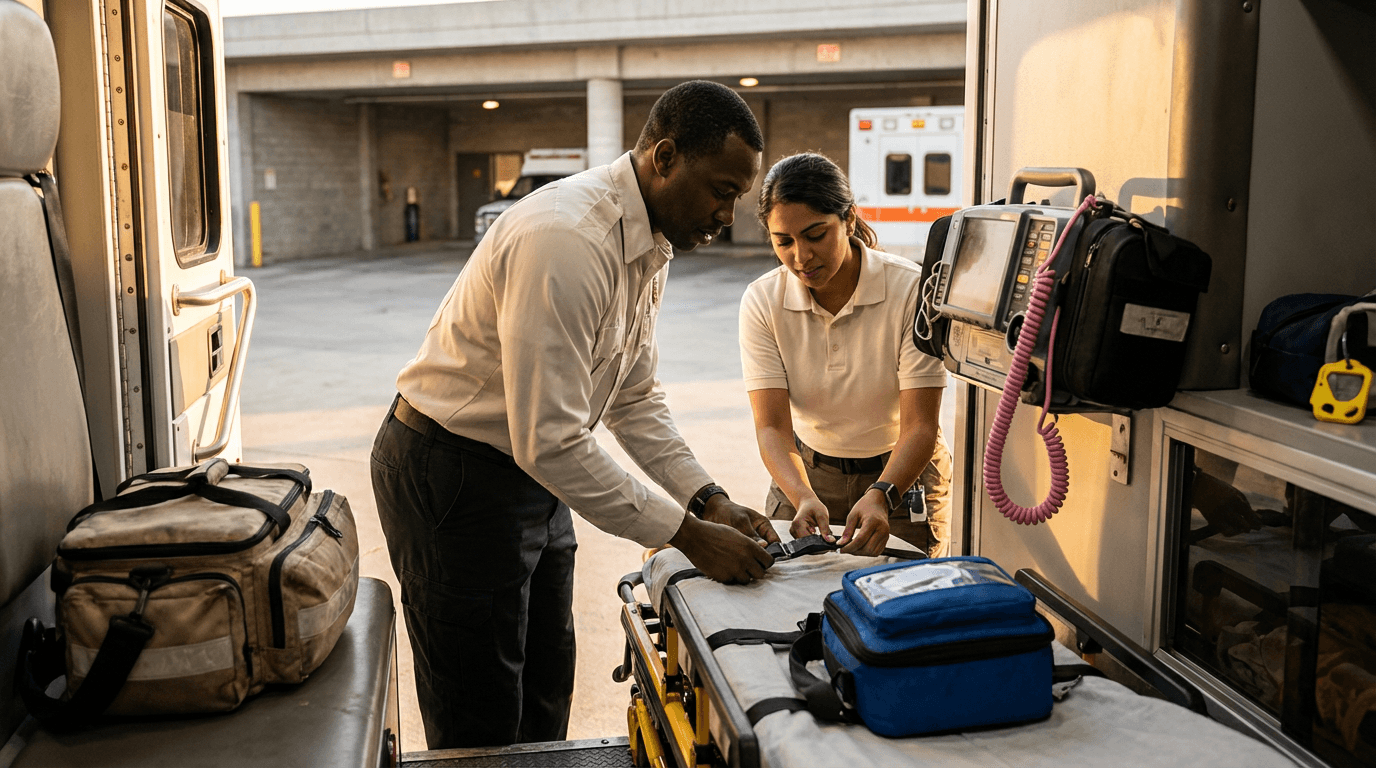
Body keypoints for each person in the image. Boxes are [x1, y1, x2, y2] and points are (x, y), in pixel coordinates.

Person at [370, 81, 780, 750]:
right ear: (665, 157)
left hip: (529, 468)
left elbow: (634, 396)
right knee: (480, 712)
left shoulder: (652, 242)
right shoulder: (566, 240)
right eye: (722, 190)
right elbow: (552, 439)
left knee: (544, 683)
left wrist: (708, 501)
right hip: (454, 474)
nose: (728, 214)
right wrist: (689, 535)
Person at [739, 152, 952, 558]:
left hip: (902, 477)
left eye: (816, 235)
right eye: (783, 241)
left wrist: (882, 495)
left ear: (849, 219)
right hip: (806, 474)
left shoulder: (910, 290)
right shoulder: (763, 301)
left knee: (901, 604)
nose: (800, 257)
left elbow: (921, 426)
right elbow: (771, 428)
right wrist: (801, 495)